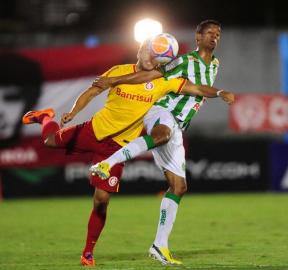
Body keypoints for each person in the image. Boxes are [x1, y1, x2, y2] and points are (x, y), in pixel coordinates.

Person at [21, 38, 234, 266]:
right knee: (49, 141)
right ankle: (45, 117)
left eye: (158, 57)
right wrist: (74, 112)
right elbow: (92, 91)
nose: (153, 59)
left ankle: (88, 253)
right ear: (141, 51)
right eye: (151, 53)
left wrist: (219, 92)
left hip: (116, 146)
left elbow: (197, 88)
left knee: (101, 201)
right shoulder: (118, 72)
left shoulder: (164, 81)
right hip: (94, 130)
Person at [90, 19, 223, 264]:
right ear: (198, 37)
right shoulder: (183, 61)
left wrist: (220, 93)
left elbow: (200, 91)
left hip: (178, 124)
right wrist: (113, 81)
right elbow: (148, 75)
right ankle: (108, 163)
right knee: (163, 134)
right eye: (210, 33)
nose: (215, 37)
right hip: (161, 112)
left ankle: (159, 246)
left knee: (179, 187)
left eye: (218, 33)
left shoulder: (214, 65)